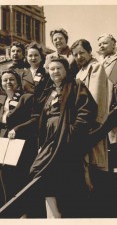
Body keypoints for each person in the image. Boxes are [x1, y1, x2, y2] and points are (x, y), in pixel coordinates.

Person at [30, 56, 98, 218]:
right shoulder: (49, 91)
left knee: (67, 176)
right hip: (50, 139)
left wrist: (72, 131)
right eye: (52, 69)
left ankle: (67, 216)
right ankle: (54, 216)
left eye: (58, 68)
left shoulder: (75, 85)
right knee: (38, 170)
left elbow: (87, 110)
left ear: (66, 70)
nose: (55, 71)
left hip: (67, 138)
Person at [0, 69, 37, 217]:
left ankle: (24, 214)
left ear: (18, 82)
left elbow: (35, 119)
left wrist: (18, 129)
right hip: (2, 145)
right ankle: (10, 214)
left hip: (20, 144)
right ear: (1, 84)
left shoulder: (26, 98)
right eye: (5, 80)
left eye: (11, 79)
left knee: (19, 179)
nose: (8, 83)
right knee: (4, 180)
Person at [71, 39, 109, 202]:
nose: (79, 56)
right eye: (75, 54)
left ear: (89, 52)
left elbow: (96, 96)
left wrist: (95, 122)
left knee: (94, 162)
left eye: (82, 53)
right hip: (81, 122)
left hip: (92, 123)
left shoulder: (95, 67)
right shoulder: (79, 71)